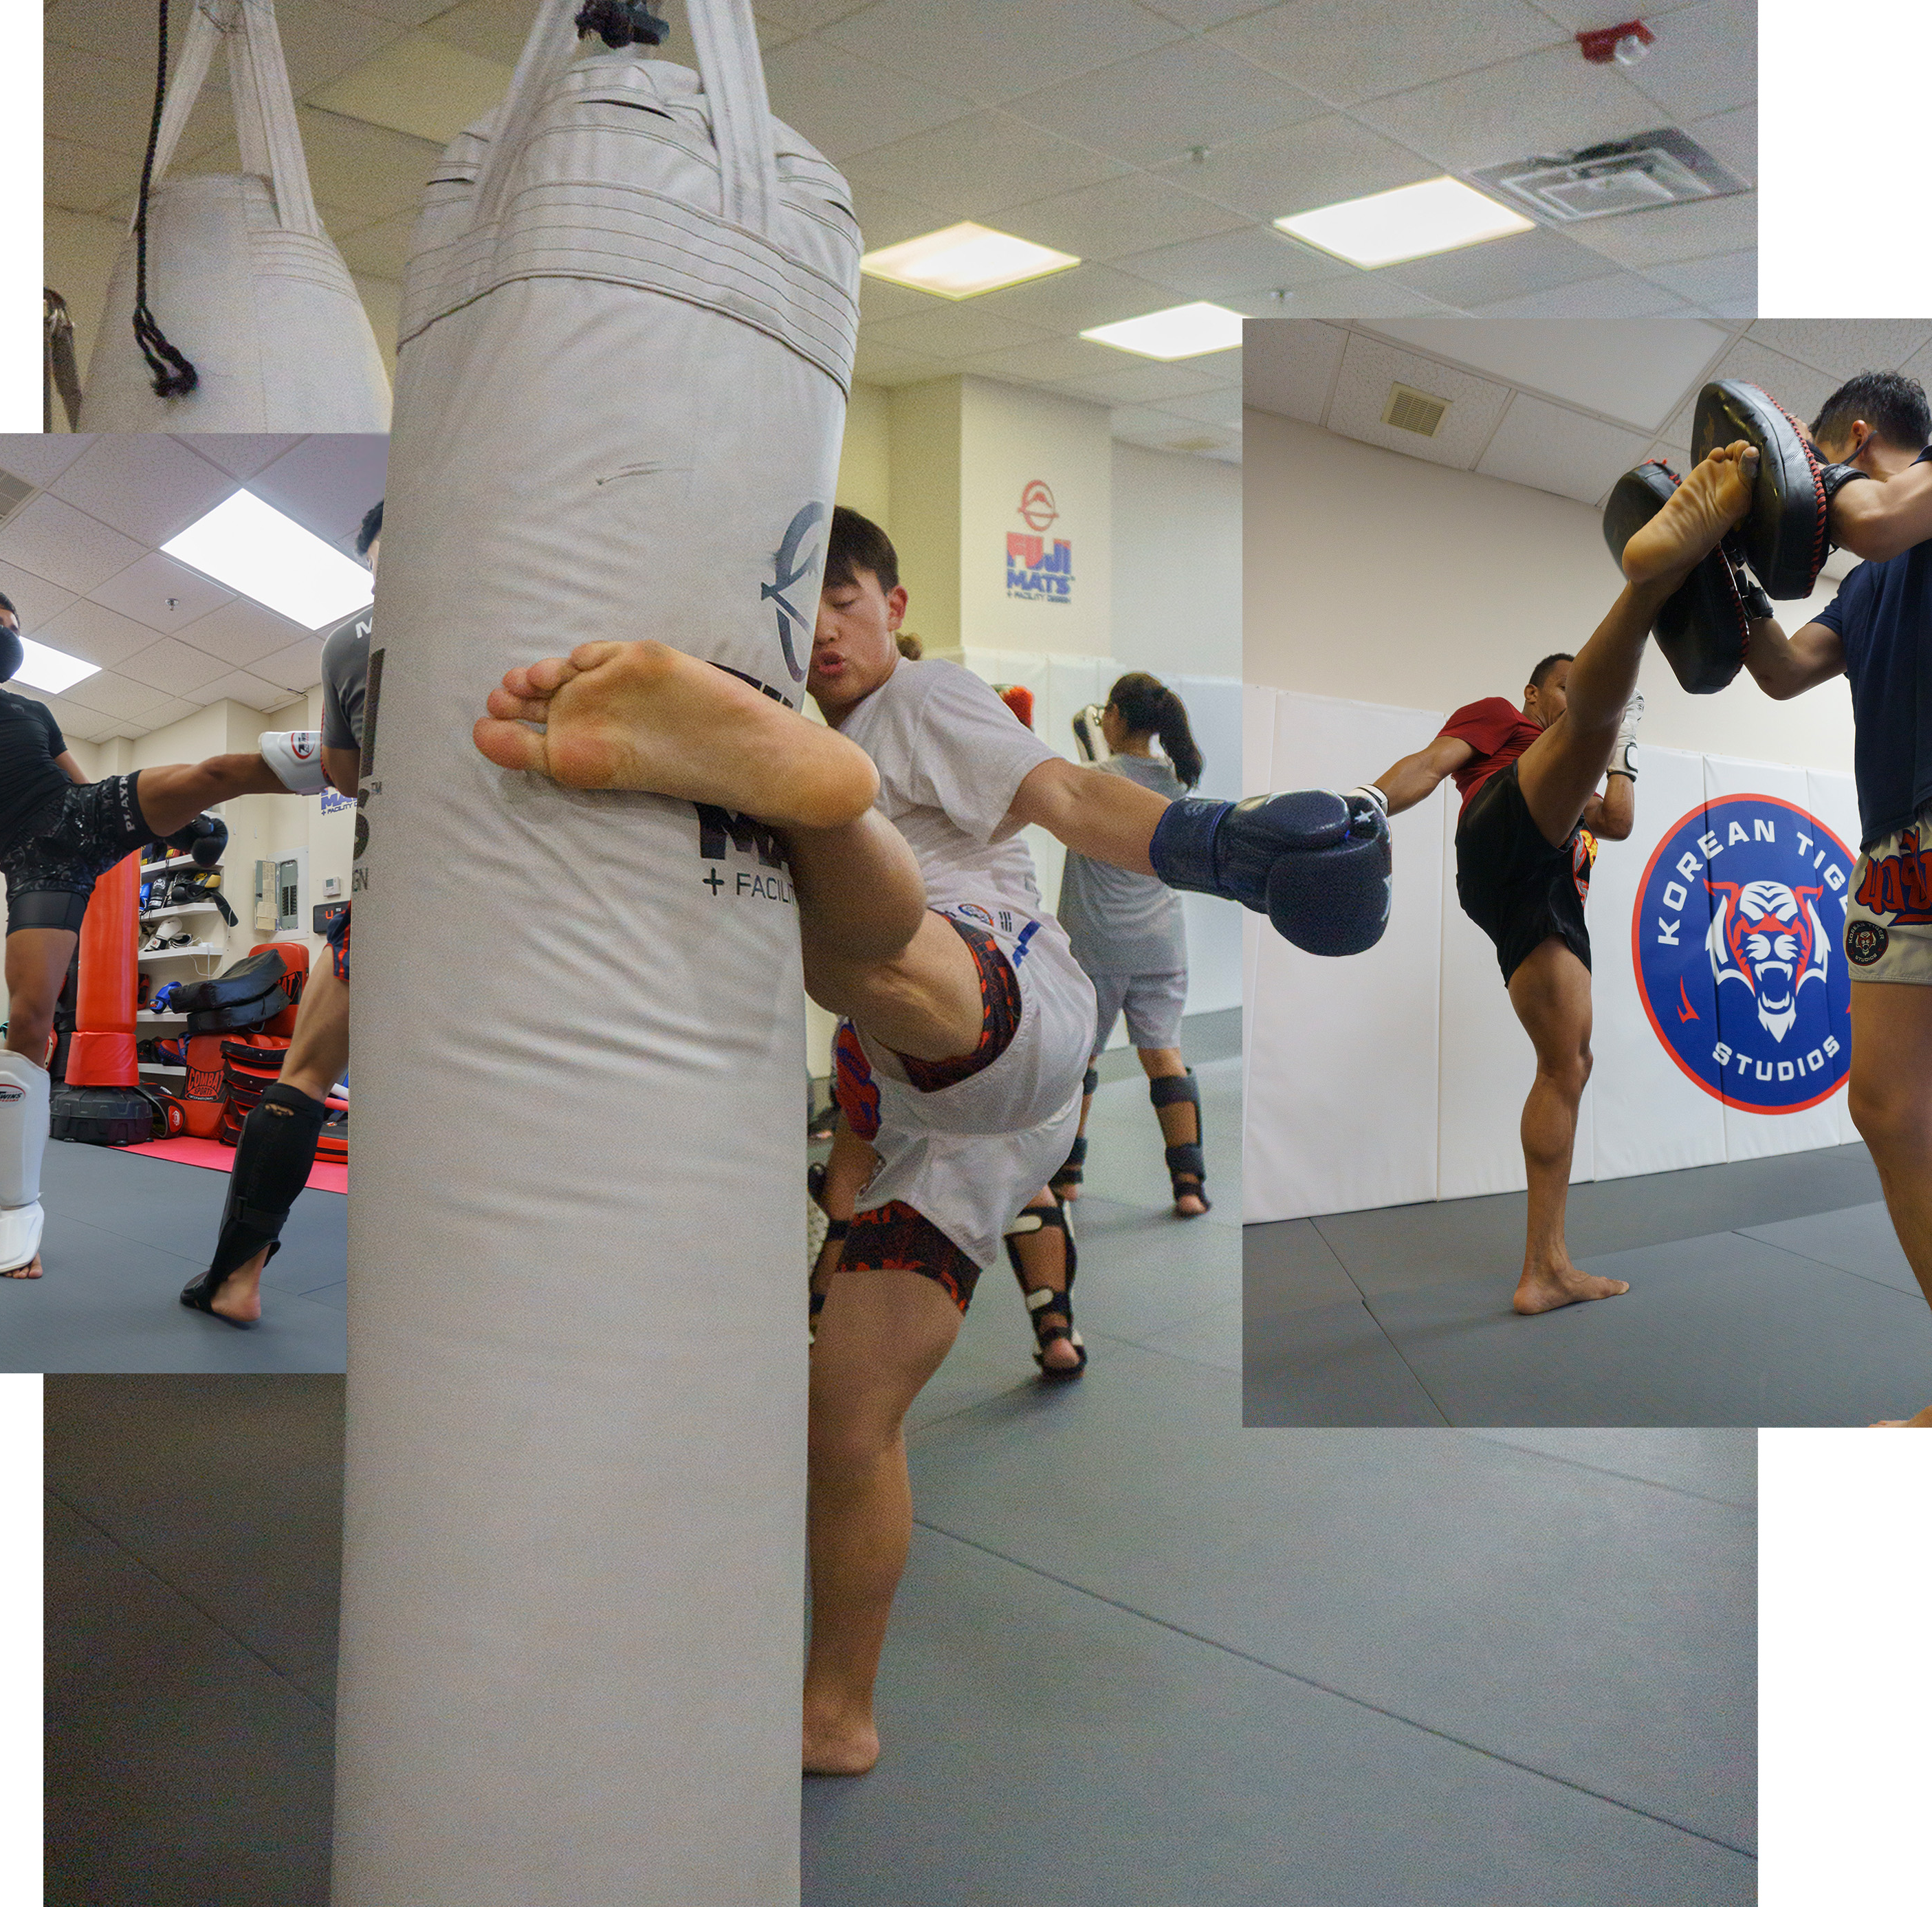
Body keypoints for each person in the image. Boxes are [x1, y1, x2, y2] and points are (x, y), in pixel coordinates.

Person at [470, 503, 1390, 1777]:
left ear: (893, 609)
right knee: (845, 1420)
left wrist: (1220, 843)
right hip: (934, 1120)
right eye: (806, 610)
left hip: (1010, 996)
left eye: (848, 600)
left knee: (868, 952)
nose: (827, 629)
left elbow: (1068, 794)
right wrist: (839, 1209)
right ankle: (836, 1716)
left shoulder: (929, 697)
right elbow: (862, 1109)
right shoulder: (800, 729)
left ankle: (832, 815)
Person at [1365, 444, 1757, 1315]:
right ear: (1534, 696)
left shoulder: (1580, 776)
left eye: (1585, 689)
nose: (1573, 697)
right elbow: (1428, 765)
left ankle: (1544, 1267)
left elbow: (1617, 821)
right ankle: (1652, 580)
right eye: (1566, 688)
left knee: (1567, 1064)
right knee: (1594, 722)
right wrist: (1364, 807)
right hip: (1502, 830)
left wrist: (1623, 749)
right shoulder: (1500, 720)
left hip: (1539, 897)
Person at [0, 589, 310, 1278]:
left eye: (12, 627)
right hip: (34, 860)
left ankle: (345, 758)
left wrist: (170, 824)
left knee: (214, 773)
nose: (4, 636)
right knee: (29, 1021)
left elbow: (79, 785)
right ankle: (18, 1208)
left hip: (84, 815)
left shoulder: (35, 712)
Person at [1731, 371, 1932, 1425]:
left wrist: (1793, 471)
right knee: (1887, 1107)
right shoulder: (1863, 588)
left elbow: (1878, 516)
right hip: (1895, 848)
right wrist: (1722, 568)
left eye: (1810, 459)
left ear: (1851, 439)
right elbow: (1778, 668)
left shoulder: (1907, 503)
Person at [179, 501, 380, 1327]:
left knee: (302, 1081)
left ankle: (235, 1280)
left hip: (403, 883)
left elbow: (345, 773)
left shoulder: (352, 641)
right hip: (543, 891)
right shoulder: (542, 604)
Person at [1053, 674, 1209, 1217]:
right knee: (1165, 1056)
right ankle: (1189, 1186)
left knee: (1080, 1060)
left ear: (1115, 716)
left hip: (1096, 943)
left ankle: (1067, 1179)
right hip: (1161, 944)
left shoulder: (1092, 779)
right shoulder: (1178, 781)